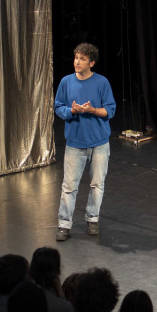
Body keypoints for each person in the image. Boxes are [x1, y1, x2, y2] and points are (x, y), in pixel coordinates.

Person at [54, 42, 115, 240]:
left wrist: (92, 110)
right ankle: (64, 224)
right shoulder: (66, 82)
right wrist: (72, 110)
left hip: (99, 143)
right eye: (76, 58)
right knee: (69, 186)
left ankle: (93, 219)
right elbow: (58, 108)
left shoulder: (102, 83)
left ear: (92, 63)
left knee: (97, 184)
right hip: (75, 143)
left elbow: (109, 110)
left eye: (82, 59)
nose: (77, 62)